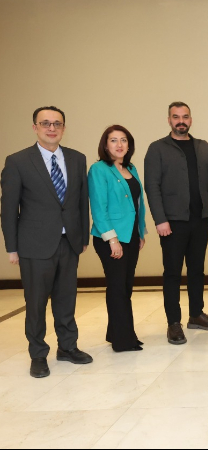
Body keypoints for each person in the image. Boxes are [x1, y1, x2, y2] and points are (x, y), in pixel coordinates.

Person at [1, 106, 92, 378]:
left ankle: (68, 347)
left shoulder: (77, 158)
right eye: (45, 123)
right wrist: (12, 247)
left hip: (69, 242)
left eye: (57, 123)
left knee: (66, 299)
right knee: (36, 303)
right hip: (34, 244)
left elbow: (81, 201)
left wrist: (82, 236)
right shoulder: (18, 161)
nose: (52, 128)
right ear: (35, 128)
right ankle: (38, 354)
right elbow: (9, 208)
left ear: (64, 128)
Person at [144, 101, 208, 345]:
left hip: (200, 219)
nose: (181, 121)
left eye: (185, 116)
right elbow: (152, 187)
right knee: (172, 272)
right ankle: (173, 323)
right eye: (176, 117)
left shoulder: (203, 147)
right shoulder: (157, 149)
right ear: (169, 120)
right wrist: (160, 219)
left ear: (191, 119)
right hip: (172, 223)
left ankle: (196, 314)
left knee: (197, 269)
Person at [88, 125, 148, 352]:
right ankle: (123, 341)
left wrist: (140, 232)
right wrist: (112, 240)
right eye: (113, 140)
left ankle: (116, 332)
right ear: (105, 145)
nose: (119, 144)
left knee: (125, 286)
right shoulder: (98, 169)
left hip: (130, 235)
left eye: (124, 140)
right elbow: (99, 208)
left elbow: (138, 204)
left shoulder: (130, 168)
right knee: (117, 288)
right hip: (110, 238)